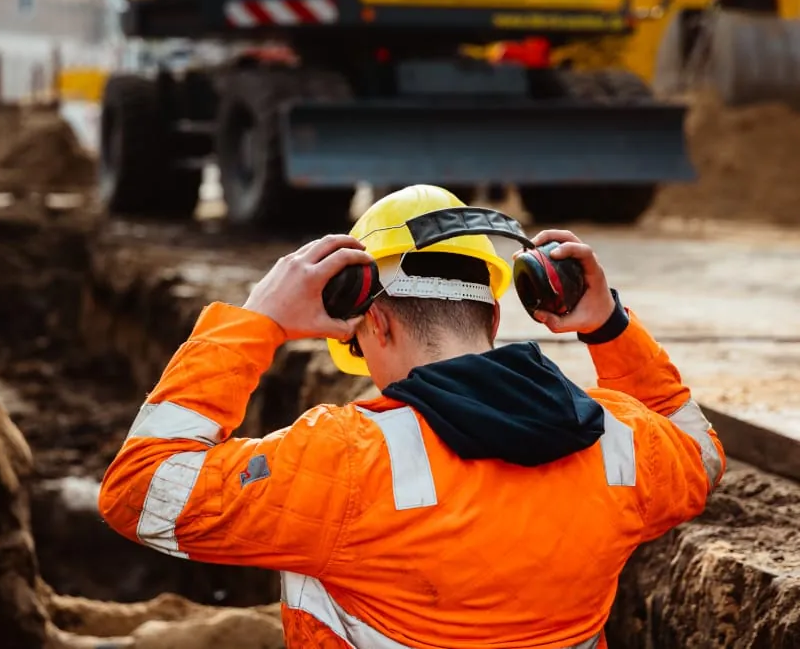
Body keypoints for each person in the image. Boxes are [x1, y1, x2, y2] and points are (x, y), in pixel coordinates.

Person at [98, 185, 725, 648]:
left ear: (375, 319)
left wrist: (255, 322)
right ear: (495, 317)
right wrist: (609, 326)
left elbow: (141, 492)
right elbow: (701, 452)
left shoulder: (345, 460)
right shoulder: (620, 441)